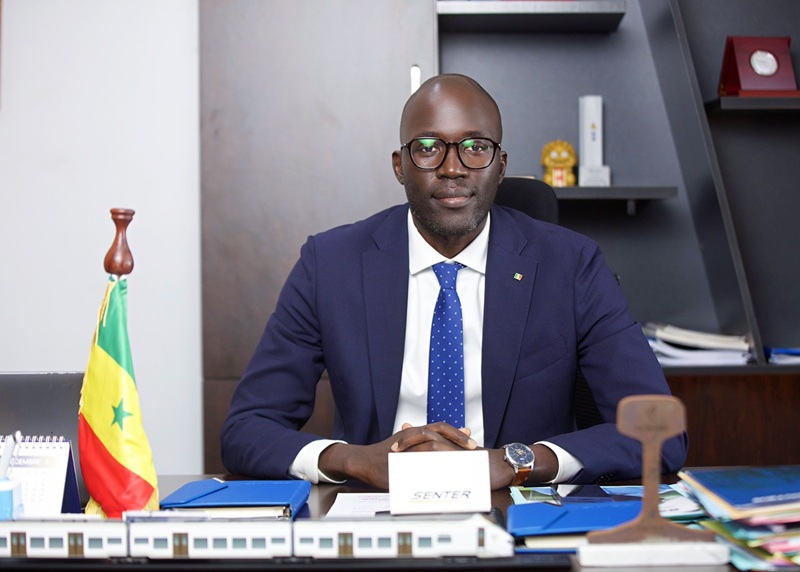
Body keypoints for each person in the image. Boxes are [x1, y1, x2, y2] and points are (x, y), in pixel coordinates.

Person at [220, 74, 687, 490]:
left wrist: (512, 461)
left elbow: (660, 432)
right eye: (428, 147)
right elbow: (246, 429)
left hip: (518, 506)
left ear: (500, 165)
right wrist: (356, 460)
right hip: (376, 507)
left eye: (476, 147)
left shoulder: (571, 265)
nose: (452, 168)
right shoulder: (330, 265)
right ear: (400, 165)